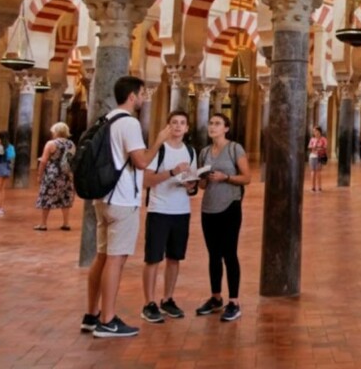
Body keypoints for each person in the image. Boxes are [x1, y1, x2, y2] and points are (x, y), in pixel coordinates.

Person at [83, 76, 171, 338]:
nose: (144, 99)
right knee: (116, 259)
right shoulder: (130, 123)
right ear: (132, 96)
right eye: (142, 94)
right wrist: (159, 140)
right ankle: (108, 320)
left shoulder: (107, 119)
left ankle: (91, 314)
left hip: (104, 198)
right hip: (122, 200)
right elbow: (141, 162)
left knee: (101, 257)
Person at [140, 111, 197, 324]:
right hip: (159, 210)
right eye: (174, 122)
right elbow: (147, 180)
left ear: (187, 128)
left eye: (182, 123)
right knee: (153, 258)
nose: (178, 126)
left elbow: (191, 181)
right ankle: (149, 303)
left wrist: (191, 185)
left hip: (181, 211)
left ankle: (168, 299)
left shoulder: (191, 151)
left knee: (174, 258)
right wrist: (172, 172)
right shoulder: (159, 151)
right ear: (167, 126)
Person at [195, 113, 251, 322]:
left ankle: (234, 301)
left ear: (226, 128)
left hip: (230, 207)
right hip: (208, 208)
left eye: (217, 124)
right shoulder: (204, 152)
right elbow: (202, 185)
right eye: (210, 123)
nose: (212, 126)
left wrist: (225, 177)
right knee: (213, 254)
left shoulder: (235, 148)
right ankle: (216, 297)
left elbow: (247, 178)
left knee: (229, 253)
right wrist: (198, 181)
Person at [34, 122, 76, 231]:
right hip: (66, 174)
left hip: (52, 173)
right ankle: (66, 223)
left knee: (46, 196)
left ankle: (43, 224)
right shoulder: (71, 144)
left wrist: (39, 174)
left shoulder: (51, 144)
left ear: (56, 132)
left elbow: (43, 161)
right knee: (66, 197)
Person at [307, 126, 328, 192]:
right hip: (312, 157)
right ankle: (313, 187)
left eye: (316, 131)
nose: (314, 132)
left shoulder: (323, 139)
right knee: (313, 171)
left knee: (319, 172)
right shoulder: (312, 139)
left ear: (319, 131)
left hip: (320, 156)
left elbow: (324, 147)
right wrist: (316, 147)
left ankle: (319, 187)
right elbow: (309, 147)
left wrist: (316, 148)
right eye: (313, 131)